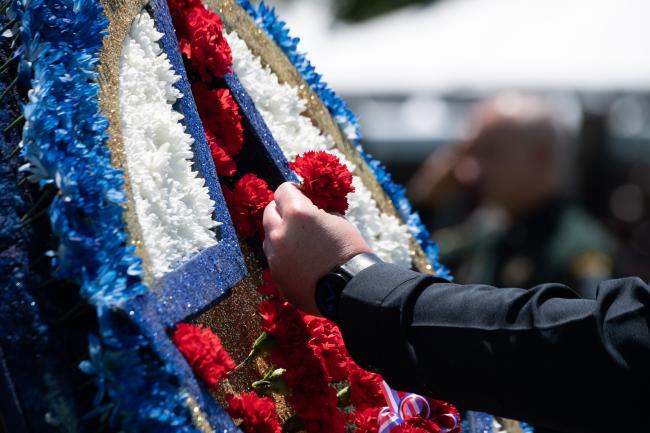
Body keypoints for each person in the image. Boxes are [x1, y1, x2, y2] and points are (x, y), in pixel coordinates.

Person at [262, 182, 650, 433]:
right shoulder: (496, 227)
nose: (472, 168)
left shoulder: (575, 241)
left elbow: (605, 347)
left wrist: (350, 280)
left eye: (492, 149)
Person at [408, 94, 612, 298]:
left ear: (540, 157)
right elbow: (416, 264)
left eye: (490, 153)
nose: (470, 172)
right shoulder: (491, 231)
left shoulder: (576, 249)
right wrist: (425, 203)